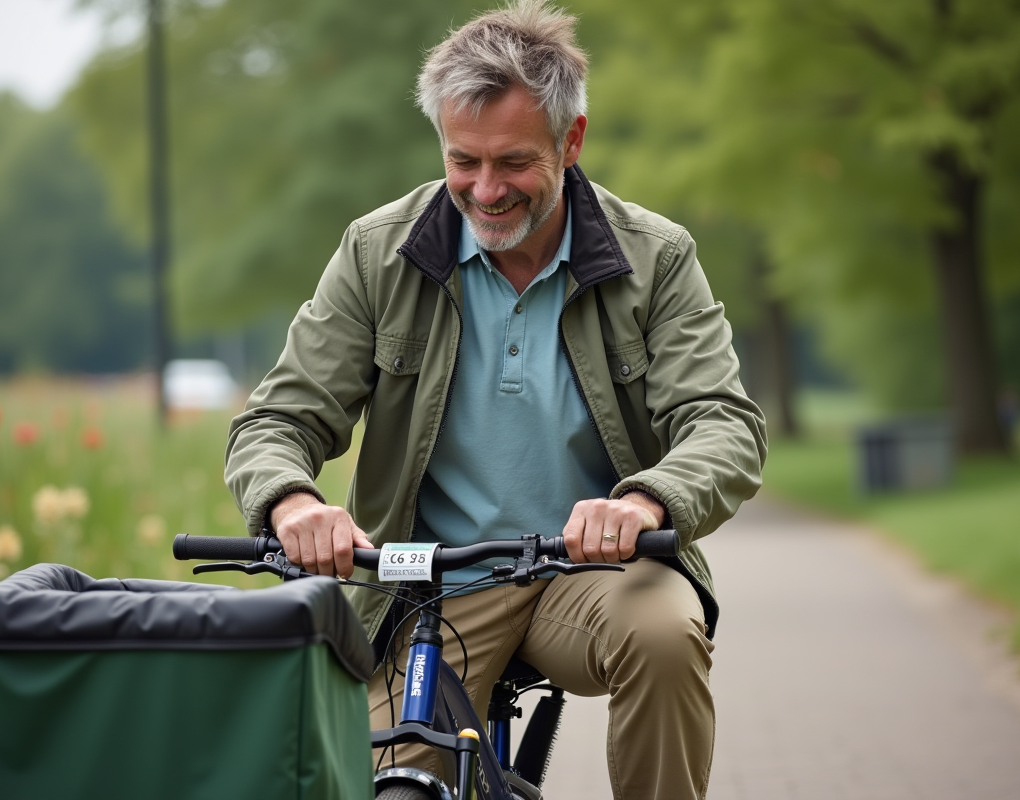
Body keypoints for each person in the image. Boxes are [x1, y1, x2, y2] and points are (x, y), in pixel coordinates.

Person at [225, 1, 766, 797]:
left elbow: (725, 424)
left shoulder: (658, 258)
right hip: (428, 586)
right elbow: (278, 417)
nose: (484, 190)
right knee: (380, 780)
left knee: (665, 632)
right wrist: (292, 501)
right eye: (462, 161)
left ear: (571, 141)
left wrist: (648, 501)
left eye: (513, 162)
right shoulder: (379, 252)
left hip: (588, 574)